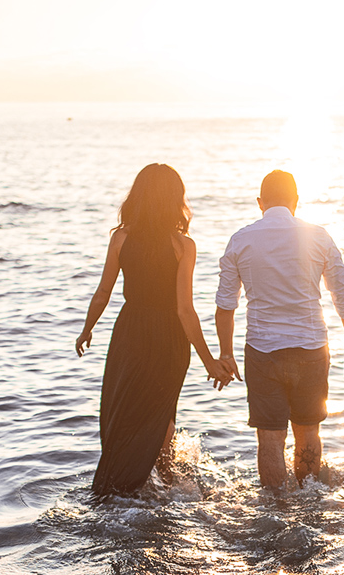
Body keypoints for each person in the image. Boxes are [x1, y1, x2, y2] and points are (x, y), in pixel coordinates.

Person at [76, 164, 231, 497]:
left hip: (129, 332)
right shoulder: (182, 246)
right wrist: (209, 362)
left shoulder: (121, 238)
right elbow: (184, 310)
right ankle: (168, 482)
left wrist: (87, 329)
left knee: (123, 408)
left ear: (139, 197)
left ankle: (126, 485)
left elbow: (103, 292)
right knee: (161, 409)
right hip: (169, 337)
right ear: (175, 199)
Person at [214, 169, 344, 490]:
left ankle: (275, 511)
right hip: (310, 349)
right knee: (309, 432)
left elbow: (226, 306)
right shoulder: (319, 237)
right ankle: (310, 506)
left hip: (262, 352)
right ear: (296, 201)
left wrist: (225, 354)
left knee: (270, 438)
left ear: (260, 202)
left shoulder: (241, 240)